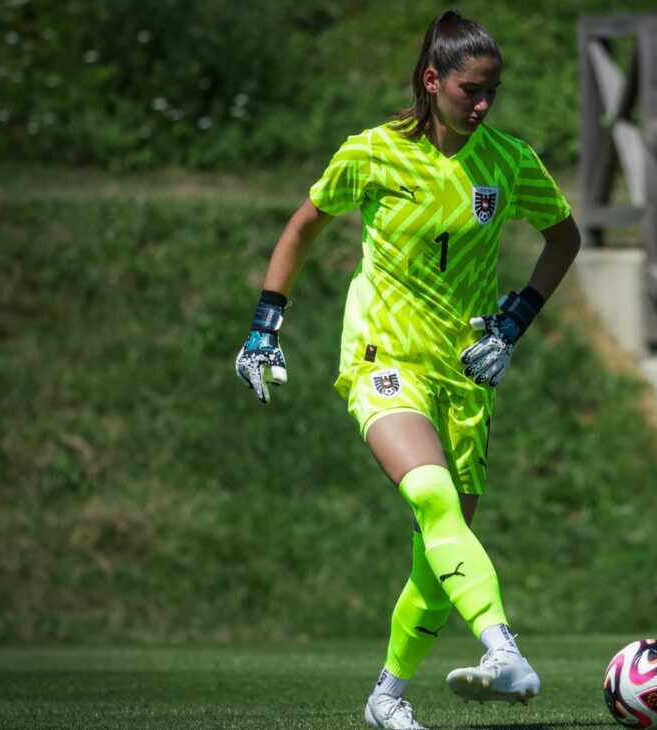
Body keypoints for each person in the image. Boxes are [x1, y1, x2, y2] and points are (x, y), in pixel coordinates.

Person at [232, 12, 581, 730]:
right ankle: (501, 646)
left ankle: (386, 696)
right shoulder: (372, 154)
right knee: (430, 496)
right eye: (470, 90)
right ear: (433, 81)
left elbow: (564, 237)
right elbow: (301, 227)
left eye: (492, 92)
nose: (483, 105)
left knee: (437, 552)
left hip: (464, 379)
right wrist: (265, 327)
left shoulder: (508, 161)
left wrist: (515, 322)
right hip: (381, 358)